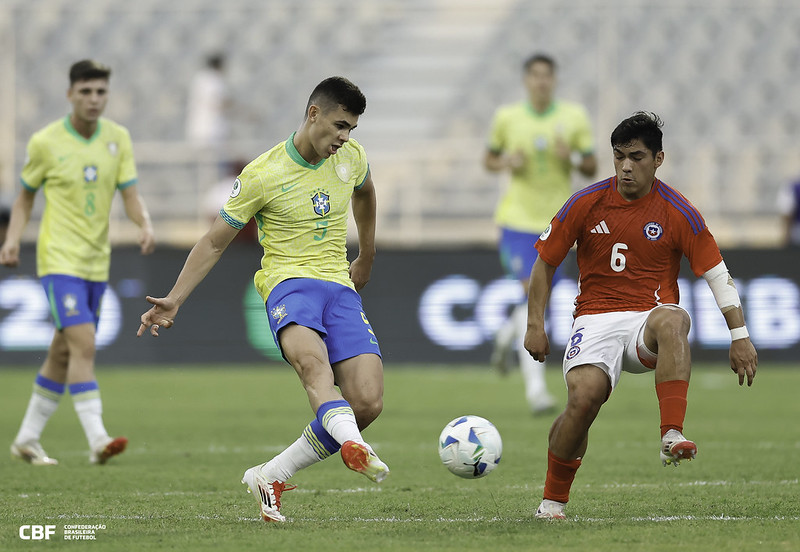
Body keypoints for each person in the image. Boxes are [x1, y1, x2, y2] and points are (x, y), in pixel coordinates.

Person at [137, 76, 389, 523]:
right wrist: (175, 298)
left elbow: (366, 193)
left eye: (351, 129)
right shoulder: (262, 173)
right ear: (314, 114)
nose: (344, 138)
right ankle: (354, 446)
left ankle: (271, 474)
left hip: (339, 285)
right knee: (315, 368)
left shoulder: (352, 158)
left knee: (367, 402)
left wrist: (366, 254)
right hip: (288, 285)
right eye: (338, 126)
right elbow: (215, 242)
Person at [524, 112, 758, 520]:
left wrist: (739, 335)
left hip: (646, 322)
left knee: (674, 318)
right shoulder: (585, 202)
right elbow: (544, 263)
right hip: (594, 320)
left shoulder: (678, 210)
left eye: (635, 157)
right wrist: (534, 325)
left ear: (658, 159)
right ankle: (552, 502)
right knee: (583, 402)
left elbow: (717, 274)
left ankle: (671, 433)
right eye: (618, 157)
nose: (626, 167)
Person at [1, 59, 155, 466]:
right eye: (85, 91)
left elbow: (130, 194)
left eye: (100, 92)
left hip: (95, 264)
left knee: (63, 352)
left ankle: (28, 439)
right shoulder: (46, 142)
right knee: (84, 343)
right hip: (58, 261)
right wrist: (13, 239)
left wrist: (144, 223)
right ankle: (97, 438)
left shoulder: (117, 139)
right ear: (70, 94)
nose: (93, 99)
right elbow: (25, 196)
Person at [484, 53, 597, 414]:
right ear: (526, 80)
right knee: (535, 297)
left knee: (536, 301)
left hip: (558, 223)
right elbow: (488, 160)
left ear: (554, 80)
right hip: (517, 221)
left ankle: (505, 337)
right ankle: (536, 391)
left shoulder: (574, 117)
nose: (541, 82)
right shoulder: (507, 118)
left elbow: (593, 164)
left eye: (547, 76)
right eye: (535, 75)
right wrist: (506, 163)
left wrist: (574, 159)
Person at [185, 52, 231, 148]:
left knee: (202, 161)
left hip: (197, 128)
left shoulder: (199, 79)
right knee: (213, 160)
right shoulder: (216, 80)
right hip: (213, 129)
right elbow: (219, 103)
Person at [777, 177, 800, 247]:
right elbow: (787, 214)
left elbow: (787, 214)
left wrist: (785, 237)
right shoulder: (793, 187)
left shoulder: (792, 187)